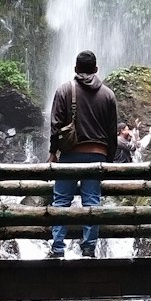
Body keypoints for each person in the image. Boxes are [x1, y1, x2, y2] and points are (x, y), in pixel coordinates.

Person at [48, 50, 118, 259]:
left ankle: (58, 248)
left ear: (75, 68)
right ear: (96, 70)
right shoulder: (108, 95)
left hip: (70, 155)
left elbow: (55, 127)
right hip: (97, 156)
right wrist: (110, 160)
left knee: (61, 201)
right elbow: (112, 133)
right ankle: (88, 248)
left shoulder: (64, 90)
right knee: (92, 202)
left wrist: (53, 152)